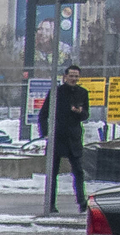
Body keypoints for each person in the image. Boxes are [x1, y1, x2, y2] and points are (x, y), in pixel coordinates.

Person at [37, 64, 91, 211]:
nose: (74, 79)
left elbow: (86, 115)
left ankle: (82, 202)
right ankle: (51, 204)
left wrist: (80, 112)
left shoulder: (82, 93)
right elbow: (43, 115)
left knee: (78, 171)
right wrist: (46, 132)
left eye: (76, 76)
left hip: (73, 138)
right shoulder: (56, 93)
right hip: (57, 137)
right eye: (71, 76)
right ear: (65, 77)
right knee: (53, 173)